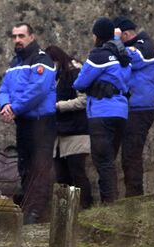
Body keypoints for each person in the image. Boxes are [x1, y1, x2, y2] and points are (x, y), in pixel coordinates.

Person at [0, 23, 57, 224]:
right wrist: (5, 105)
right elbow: (3, 88)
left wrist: (14, 108)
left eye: (21, 36)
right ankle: (28, 207)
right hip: (23, 122)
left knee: (40, 168)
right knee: (24, 167)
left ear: (31, 37)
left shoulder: (42, 60)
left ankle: (36, 212)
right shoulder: (14, 63)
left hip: (42, 123)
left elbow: (38, 90)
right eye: (14, 37)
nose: (17, 40)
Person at [73, 17, 131, 204]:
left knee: (102, 160)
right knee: (109, 159)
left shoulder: (99, 56)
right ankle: (110, 202)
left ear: (97, 36)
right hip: (121, 112)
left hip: (101, 112)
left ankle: (109, 204)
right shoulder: (124, 57)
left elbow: (80, 83)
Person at [113, 16, 154, 197]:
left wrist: (115, 41)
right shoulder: (136, 45)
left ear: (124, 34)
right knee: (126, 156)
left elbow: (128, 58)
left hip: (140, 110)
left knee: (131, 155)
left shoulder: (144, 46)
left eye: (118, 36)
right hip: (130, 108)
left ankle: (135, 202)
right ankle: (131, 199)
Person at [45, 46, 93, 209]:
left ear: (57, 60)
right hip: (59, 133)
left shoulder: (75, 71)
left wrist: (58, 106)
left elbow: (84, 100)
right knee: (62, 177)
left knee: (77, 173)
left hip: (76, 131)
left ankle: (85, 209)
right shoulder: (55, 76)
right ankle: (64, 215)